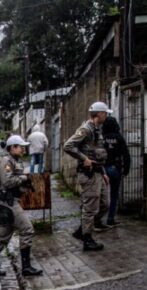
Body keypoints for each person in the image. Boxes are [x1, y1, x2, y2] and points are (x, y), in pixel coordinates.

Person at [63, 102, 112, 251]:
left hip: (98, 172)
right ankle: (87, 239)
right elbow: (68, 146)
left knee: (105, 204)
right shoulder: (85, 129)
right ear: (99, 114)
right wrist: (84, 159)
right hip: (88, 174)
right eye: (105, 113)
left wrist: (103, 172)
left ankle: (82, 230)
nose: (106, 115)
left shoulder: (97, 130)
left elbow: (97, 153)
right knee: (90, 208)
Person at [0, 134, 43, 277]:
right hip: (9, 203)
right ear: (12, 148)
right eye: (20, 147)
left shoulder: (14, 161)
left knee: (3, 238)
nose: (23, 150)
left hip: (11, 201)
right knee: (27, 229)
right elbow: (7, 182)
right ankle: (26, 267)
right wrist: (23, 178)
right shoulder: (6, 161)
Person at [102, 116, 131, 226]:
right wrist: (126, 170)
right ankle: (110, 219)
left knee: (100, 195)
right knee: (114, 195)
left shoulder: (102, 137)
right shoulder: (119, 138)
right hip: (115, 168)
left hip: (102, 169)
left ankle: (97, 219)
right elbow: (126, 155)